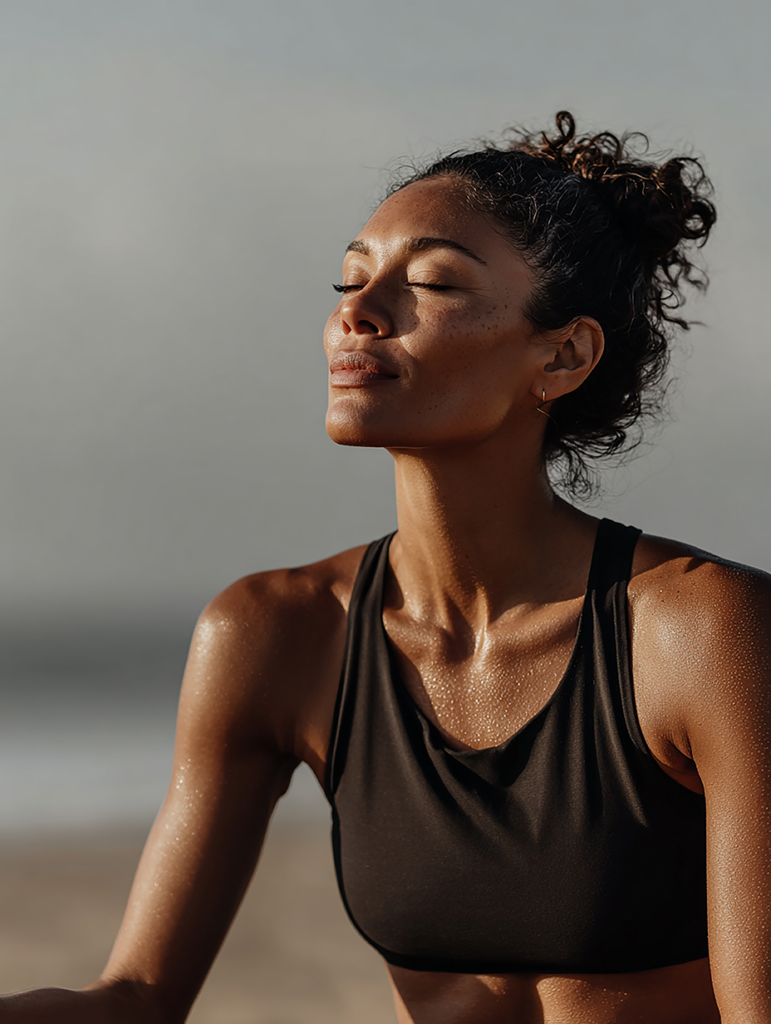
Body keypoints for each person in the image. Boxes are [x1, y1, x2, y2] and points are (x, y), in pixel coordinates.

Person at [3, 111, 770, 1024]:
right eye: (351, 278)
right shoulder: (274, 635)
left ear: (561, 355)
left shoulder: (703, 630)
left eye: (435, 282)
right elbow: (131, 1001)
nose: (356, 313)